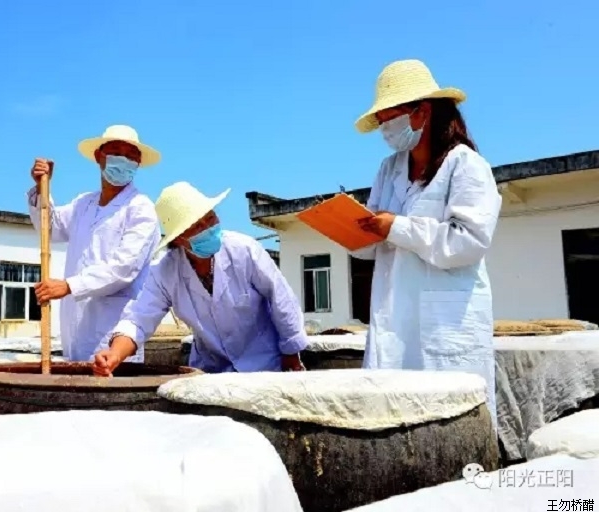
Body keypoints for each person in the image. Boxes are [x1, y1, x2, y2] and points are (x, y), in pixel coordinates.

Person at [350, 59, 502, 425]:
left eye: (391, 117)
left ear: (423, 112)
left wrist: (397, 228)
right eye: (383, 120)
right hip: (393, 318)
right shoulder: (389, 169)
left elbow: (468, 242)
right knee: (393, 420)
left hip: (445, 325)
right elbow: (375, 241)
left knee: (450, 424)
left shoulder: (465, 165)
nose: (386, 128)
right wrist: (350, 231)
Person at [93, 181, 309, 376]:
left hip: (265, 363)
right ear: (178, 239)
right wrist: (115, 354)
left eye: (210, 217)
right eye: (196, 225)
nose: (207, 227)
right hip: (211, 370)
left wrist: (291, 352)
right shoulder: (164, 271)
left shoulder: (244, 250)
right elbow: (138, 319)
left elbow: (280, 298)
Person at [27, 125, 162, 362]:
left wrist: (69, 286)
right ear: (99, 156)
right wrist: (42, 189)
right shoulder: (84, 204)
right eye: (117, 152)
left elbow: (124, 268)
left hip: (114, 335)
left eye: (131, 155)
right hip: (75, 329)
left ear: (138, 162)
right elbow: (50, 228)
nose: (124, 160)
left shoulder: (141, 209)